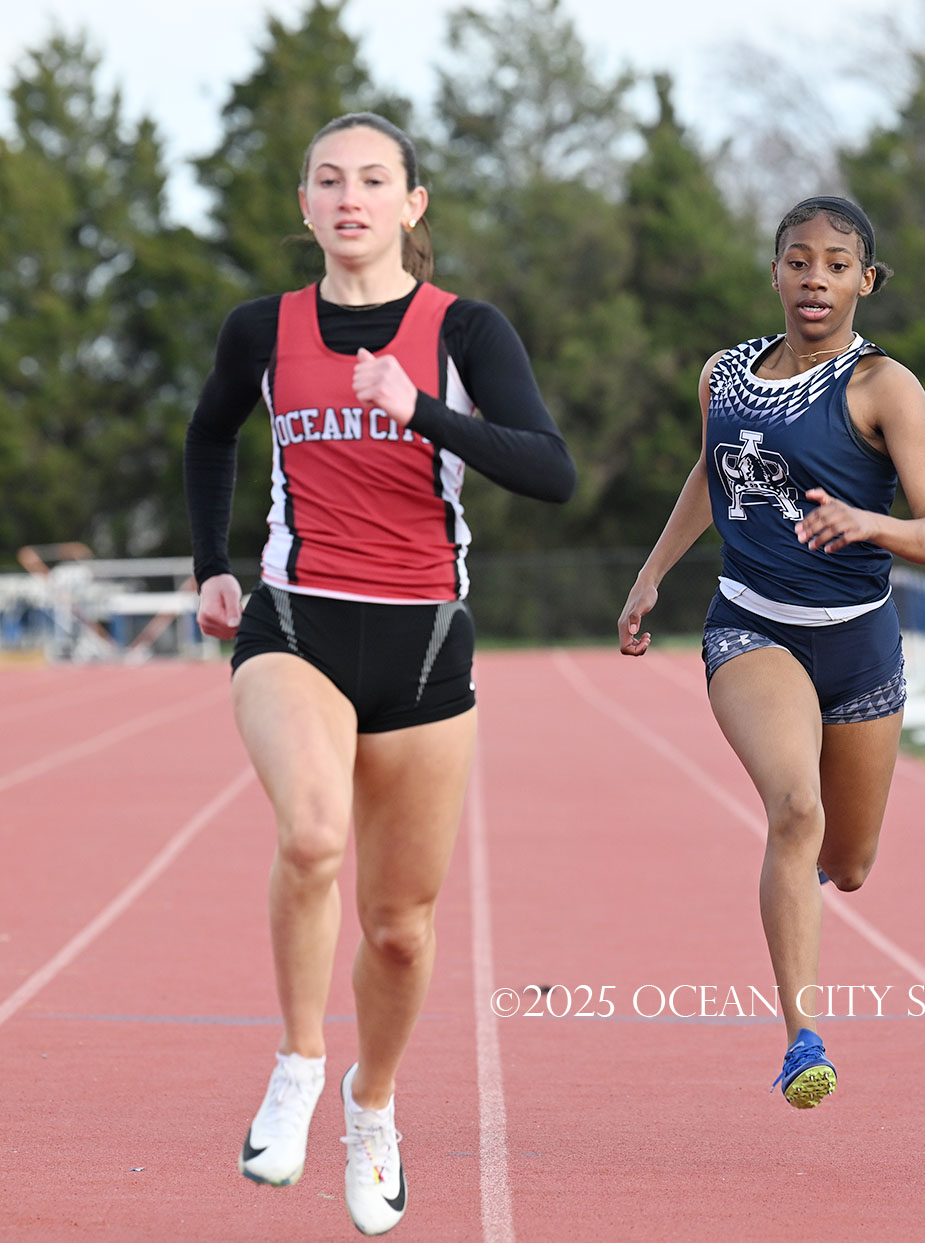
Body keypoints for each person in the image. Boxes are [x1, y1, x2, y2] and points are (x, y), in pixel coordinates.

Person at [184, 111, 575, 1235]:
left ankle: (373, 1105)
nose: (348, 197)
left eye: (371, 180)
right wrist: (212, 566)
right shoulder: (261, 328)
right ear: (305, 206)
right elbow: (210, 435)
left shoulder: (467, 328)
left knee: (400, 926)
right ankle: (299, 1063)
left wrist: (424, 411)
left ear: (412, 204)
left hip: (424, 647)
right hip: (295, 624)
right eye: (327, 180)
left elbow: (550, 470)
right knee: (311, 836)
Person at [616, 196, 925, 1109]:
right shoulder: (723, 375)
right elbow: (711, 470)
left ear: (866, 281)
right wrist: (652, 575)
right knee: (795, 809)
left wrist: (869, 522)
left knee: (848, 861)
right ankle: (803, 1038)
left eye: (837, 264)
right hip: (751, 626)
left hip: (860, 644)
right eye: (799, 260)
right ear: (773, 272)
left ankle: (799, 883)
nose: (816, 279)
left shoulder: (885, 387)